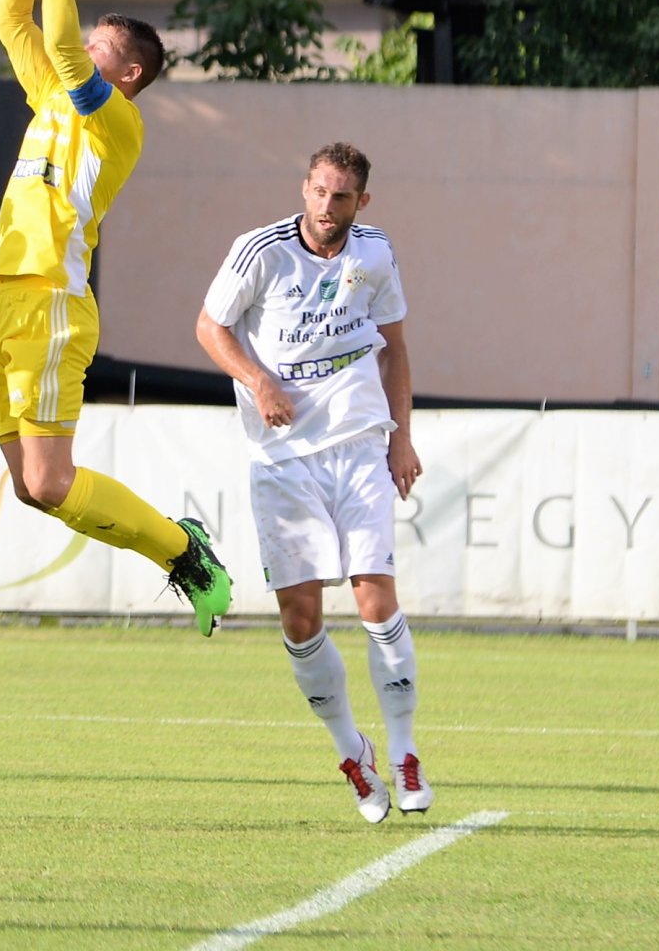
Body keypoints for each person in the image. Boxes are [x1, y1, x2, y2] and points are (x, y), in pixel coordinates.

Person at [0, 0, 231, 634]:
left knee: (51, 481)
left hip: (55, 298)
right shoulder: (54, 98)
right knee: (32, 488)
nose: (80, 54)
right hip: (5, 296)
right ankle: (178, 549)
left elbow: (57, 40)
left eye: (98, 51)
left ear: (126, 76)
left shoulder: (115, 120)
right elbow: (9, 17)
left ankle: (183, 551)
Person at [193, 142, 430, 824]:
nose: (328, 208)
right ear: (305, 189)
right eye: (320, 193)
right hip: (282, 456)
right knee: (300, 618)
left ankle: (407, 751)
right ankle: (353, 753)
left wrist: (401, 436)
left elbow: (396, 347)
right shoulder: (259, 251)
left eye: (343, 197)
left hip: (359, 443)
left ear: (363, 202)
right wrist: (259, 379)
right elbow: (210, 327)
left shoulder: (375, 253)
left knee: (375, 598)